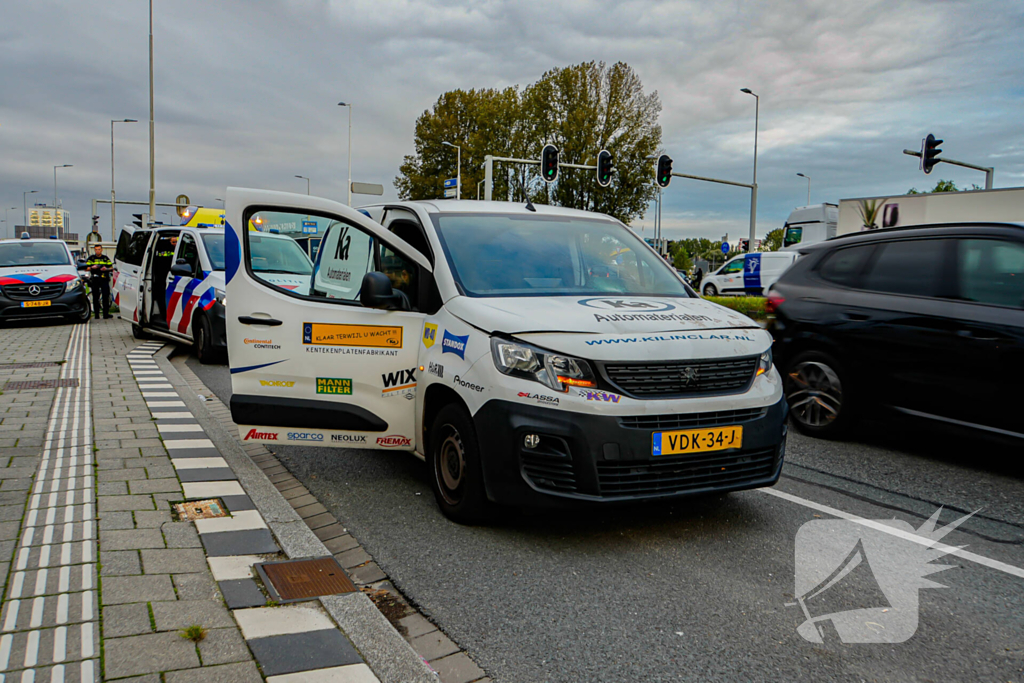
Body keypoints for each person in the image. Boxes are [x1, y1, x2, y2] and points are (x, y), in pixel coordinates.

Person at [85, 244, 113, 319]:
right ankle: (96, 314)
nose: (97, 251)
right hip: (95, 279)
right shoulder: (91, 258)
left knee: (105, 296)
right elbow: (86, 268)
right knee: (95, 297)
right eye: (96, 249)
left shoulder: (105, 258)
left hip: (104, 279)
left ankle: (106, 314)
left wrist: (105, 269)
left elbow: (111, 268)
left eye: (99, 249)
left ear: (101, 250)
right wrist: (92, 267)